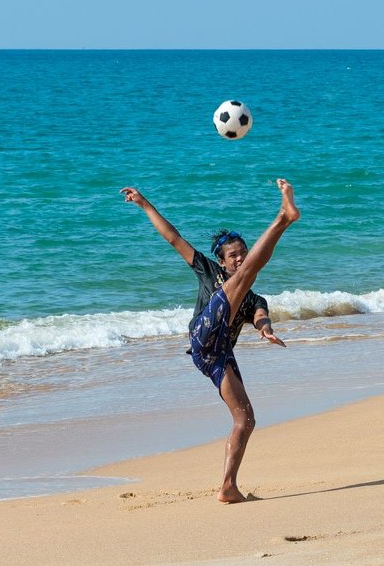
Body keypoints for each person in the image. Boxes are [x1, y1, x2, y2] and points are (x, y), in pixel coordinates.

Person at [121, 179, 300, 503]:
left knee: (246, 419)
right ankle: (283, 218)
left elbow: (260, 314)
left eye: (244, 253)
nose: (240, 258)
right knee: (244, 280)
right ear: (221, 261)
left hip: (216, 357)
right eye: (234, 255)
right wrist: (144, 204)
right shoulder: (207, 271)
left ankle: (228, 487)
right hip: (203, 337)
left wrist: (265, 329)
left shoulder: (252, 298)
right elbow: (173, 237)